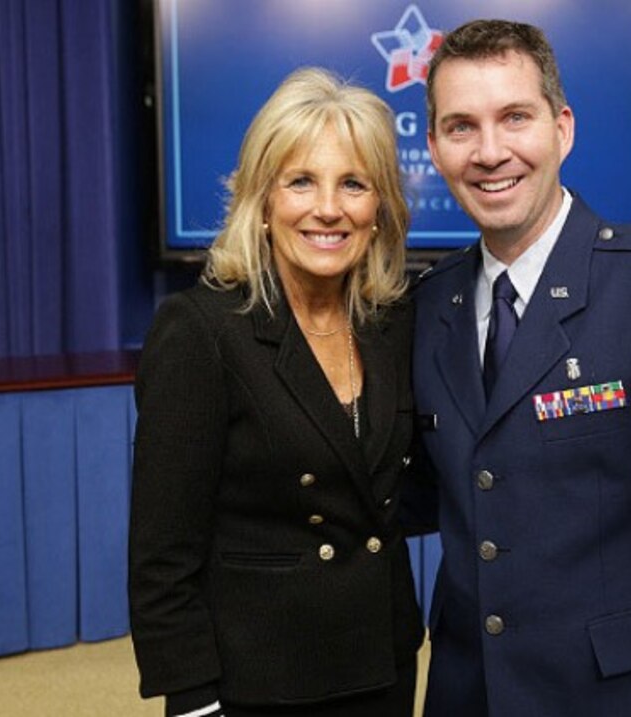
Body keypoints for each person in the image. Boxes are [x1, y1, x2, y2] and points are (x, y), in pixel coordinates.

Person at [409, 19, 631, 716]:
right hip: (466, 691)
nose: (491, 152)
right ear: (433, 147)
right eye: (461, 127)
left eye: (515, 117)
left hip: (612, 696)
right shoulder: (432, 305)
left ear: (562, 127)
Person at [129, 68, 424, 717]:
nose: (328, 208)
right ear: (262, 202)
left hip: (383, 660)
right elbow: (162, 555)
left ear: (379, 210)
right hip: (262, 677)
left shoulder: (395, 321)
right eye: (301, 181)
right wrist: (192, 698)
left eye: (353, 183)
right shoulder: (202, 331)